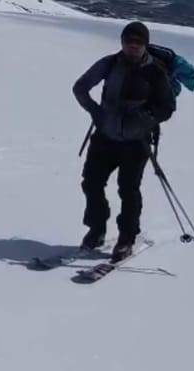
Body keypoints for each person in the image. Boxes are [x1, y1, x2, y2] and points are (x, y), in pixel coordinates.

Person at [71, 21, 176, 262]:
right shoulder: (109, 64)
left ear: (145, 45)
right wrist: (95, 112)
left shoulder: (155, 71)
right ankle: (96, 230)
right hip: (104, 137)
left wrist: (146, 118)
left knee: (128, 190)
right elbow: (80, 87)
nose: (132, 47)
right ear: (122, 43)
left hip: (135, 142)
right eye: (128, 42)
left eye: (138, 43)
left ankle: (127, 237)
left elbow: (168, 107)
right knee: (91, 183)